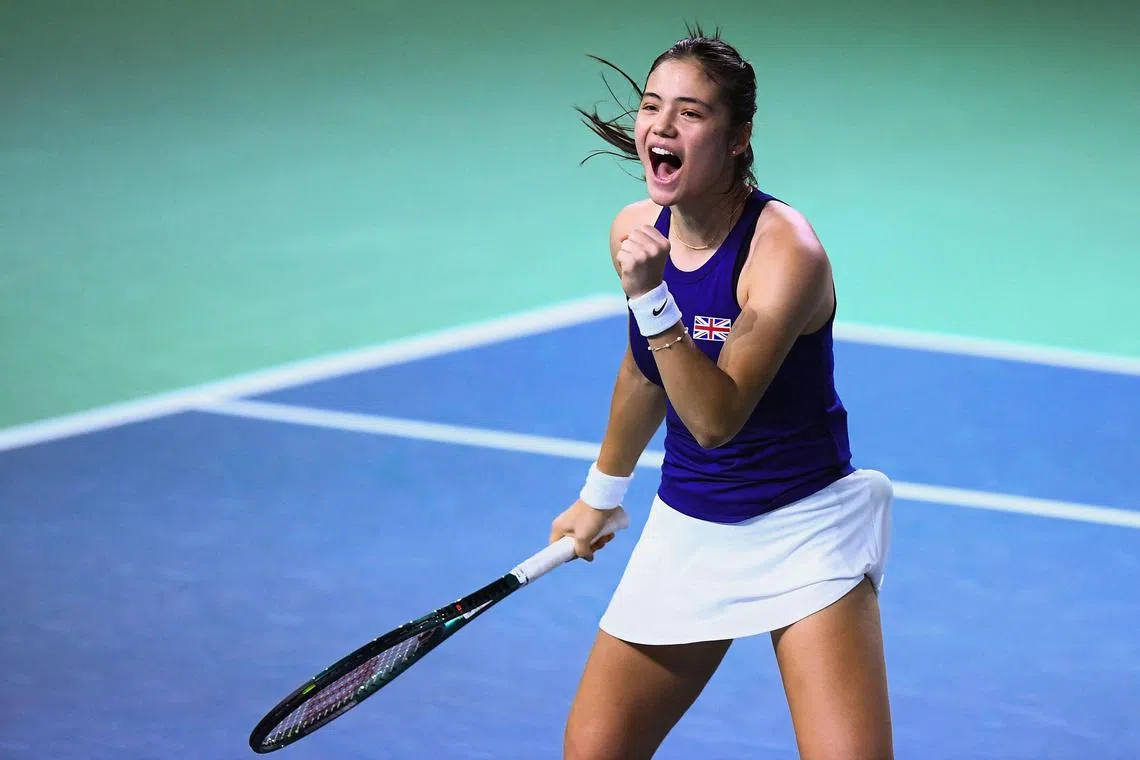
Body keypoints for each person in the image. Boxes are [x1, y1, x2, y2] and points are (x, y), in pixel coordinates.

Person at [548, 26, 895, 760]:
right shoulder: (637, 228)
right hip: (692, 524)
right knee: (594, 752)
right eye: (651, 107)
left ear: (739, 138)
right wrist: (601, 494)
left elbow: (715, 419)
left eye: (692, 113)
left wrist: (653, 296)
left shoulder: (785, 251)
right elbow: (645, 371)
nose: (661, 128)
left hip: (803, 528)